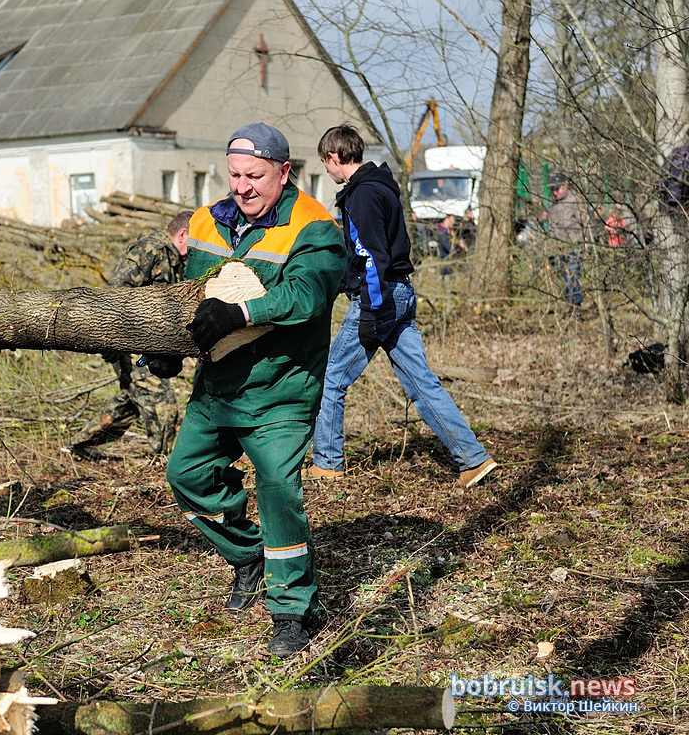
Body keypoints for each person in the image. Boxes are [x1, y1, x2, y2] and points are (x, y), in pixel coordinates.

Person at [147, 123, 346, 657]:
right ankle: (247, 555)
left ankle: (294, 610)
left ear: (285, 172)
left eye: (255, 175)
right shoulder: (206, 221)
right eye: (235, 175)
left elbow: (306, 297)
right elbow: (193, 300)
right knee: (185, 475)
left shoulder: (316, 228)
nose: (243, 186)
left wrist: (239, 312)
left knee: (277, 491)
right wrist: (171, 346)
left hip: (281, 387)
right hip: (218, 387)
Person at [309, 124, 498, 489]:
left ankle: (328, 463)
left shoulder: (361, 196)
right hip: (402, 292)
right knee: (422, 384)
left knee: (330, 379)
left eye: (325, 163)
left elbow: (370, 257)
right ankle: (473, 459)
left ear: (335, 157)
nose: (327, 171)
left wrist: (370, 310)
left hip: (380, 298)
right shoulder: (383, 188)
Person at [64, 211, 192, 459]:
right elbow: (115, 292)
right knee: (160, 401)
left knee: (133, 399)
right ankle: (164, 461)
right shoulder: (149, 249)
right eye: (195, 240)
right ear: (182, 234)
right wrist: (109, 337)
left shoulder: (174, 259)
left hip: (147, 346)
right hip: (128, 344)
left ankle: (84, 447)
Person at [541, 171, 585, 308]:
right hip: (558, 248)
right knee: (566, 278)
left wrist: (583, 244)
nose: (555, 192)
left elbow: (584, 222)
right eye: (552, 189)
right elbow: (552, 228)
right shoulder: (553, 205)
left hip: (573, 247)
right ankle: (570, 304)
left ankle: (576, 304)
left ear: (565, 186)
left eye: (557, 189)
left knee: (573, 276)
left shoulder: (575, 201)